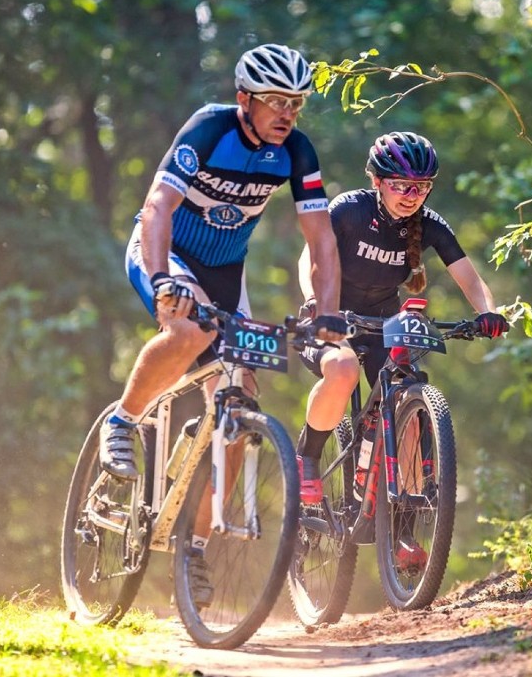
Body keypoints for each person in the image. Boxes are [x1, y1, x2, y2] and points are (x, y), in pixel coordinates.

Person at [101, 44, 348, 603]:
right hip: (165, 252)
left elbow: (321, 239)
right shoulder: (210, 128)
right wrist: (163, 279)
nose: (287, 113)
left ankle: (195, 542)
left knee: (242, 396)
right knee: (188, 334)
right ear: (244, 99)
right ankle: (124, 420)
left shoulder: (297, 152)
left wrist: (329, 312)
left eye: (296, 103)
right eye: (275, 102)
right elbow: (157, 207)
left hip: (225, 273)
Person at [294, 131, 508, 565]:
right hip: (332, 315)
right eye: (402, 185)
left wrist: (489, 312)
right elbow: (312, 257)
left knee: (408, 403)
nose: (412, 195)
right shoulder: (348, 210)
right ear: (377, 181)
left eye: (422, 186)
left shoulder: (429, 224)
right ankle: (307, 461)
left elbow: (469, 276)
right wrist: (318, 302)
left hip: (382, 322)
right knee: (343, 370)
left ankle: (402, 531)